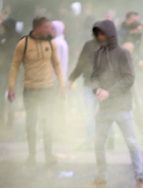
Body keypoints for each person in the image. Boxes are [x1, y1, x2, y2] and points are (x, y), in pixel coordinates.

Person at [90, 20, 143, 188]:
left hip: (122, 107)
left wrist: (109, 92)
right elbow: (93, 77)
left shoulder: (123, 53)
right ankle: (101, 177)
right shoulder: (98, 53)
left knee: (131, 143)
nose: (100, 37)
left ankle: (139, 178)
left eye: (103, 33)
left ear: (110, 34)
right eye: (98, 34)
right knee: (99, 143)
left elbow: (129, 78)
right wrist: (97, 89)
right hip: (104, 108)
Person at [7, 17, 64, 166]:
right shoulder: (23, 44)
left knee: (48, 123)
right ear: (37, 28)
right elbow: (14, 65)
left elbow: (57, 65)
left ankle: (48, 155)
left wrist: (62, 84)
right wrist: (11, 86)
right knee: (31, 123)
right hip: (30, 90)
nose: (50, 30)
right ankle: (31, 156)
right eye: (47, 27)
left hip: (47, 89)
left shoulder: (51, 43)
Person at [68, 34, 100, 148]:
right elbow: (81, 63)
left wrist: (72, 78)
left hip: (100, 85)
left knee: (93, 114)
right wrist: (72, 78)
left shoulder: (109, 46)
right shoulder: (89, 45)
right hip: (92, 84)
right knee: (93, 114)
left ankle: (97, 140)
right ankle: (93, 140)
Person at [0, 17, 21, 128]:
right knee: (10, 95)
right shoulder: (18, 37)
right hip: (11, 71)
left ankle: (6, 120)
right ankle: (8, 120)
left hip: (6, 71)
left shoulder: (5, 37)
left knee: (6, 95)